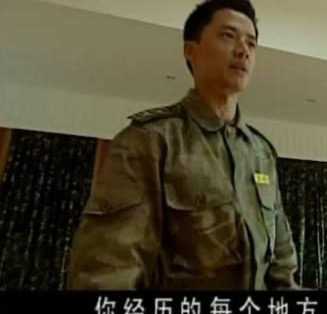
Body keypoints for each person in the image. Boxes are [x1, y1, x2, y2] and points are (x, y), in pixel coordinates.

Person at [67, 0, 298, 290]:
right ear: (191, 50)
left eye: (251, 43)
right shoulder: (151, 139)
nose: (243, 50)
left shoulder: (261, 153)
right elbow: (107, 273)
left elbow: (282, 272)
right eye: (228, 36)